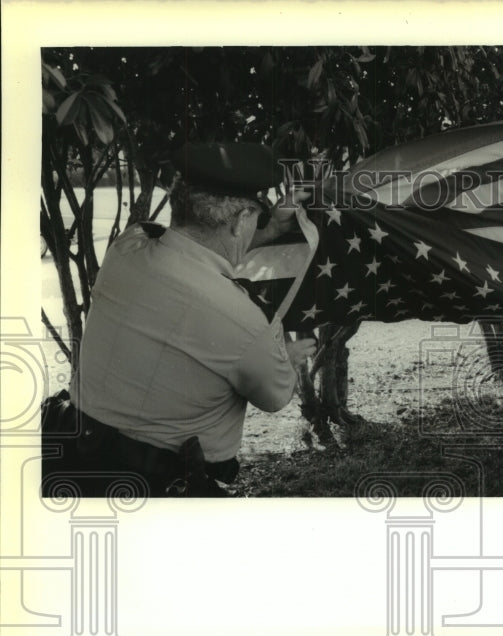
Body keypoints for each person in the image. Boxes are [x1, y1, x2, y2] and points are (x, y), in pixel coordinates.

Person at [42, 142, 316, 496]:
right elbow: (276, 397)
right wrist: (286, 358)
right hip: (159, 492)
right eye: (255, 220)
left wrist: (270, 232)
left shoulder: (126, 247)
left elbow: (199, 250)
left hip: (66, 464)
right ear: (242, 221)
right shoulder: (249, 324)